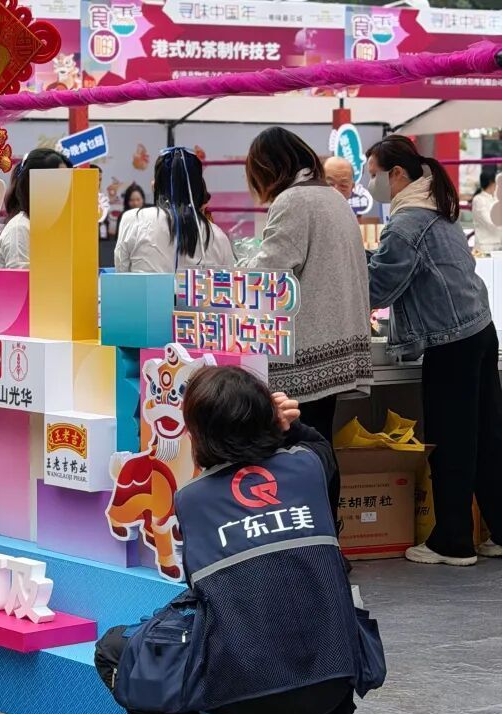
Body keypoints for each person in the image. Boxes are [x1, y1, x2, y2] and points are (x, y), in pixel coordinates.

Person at [96, 366, 379, 714]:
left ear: (198, 435)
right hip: (329, 684)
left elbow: (201, 590)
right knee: (331, 598)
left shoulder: (191, 500)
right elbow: (319, 447)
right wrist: (291, 427)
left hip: (237, 698)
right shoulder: (309, 467)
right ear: (269, 419)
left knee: (115, 649)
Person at [365, 135, 502, 566]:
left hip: (451, 340)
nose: (370, 184)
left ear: (397, 174)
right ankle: (498, 532)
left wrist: (347, 268)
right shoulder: (438, 209)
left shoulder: (406, 223)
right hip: (480, 329)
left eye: (373, 174)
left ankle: (453, 542)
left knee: (451, 441)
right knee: (487, 437)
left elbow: (379, 287)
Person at [245, 127, 372, 442]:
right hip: (338, 347)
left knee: (298, 449)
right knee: (318, 445)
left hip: (306, 356)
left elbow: (267, 274)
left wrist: (239, 271)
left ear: (268, 169)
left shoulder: (294, 200)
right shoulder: (332, 196)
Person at [114, 146, 235, 274]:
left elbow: (121, 273)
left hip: (140, 288)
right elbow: (229, 280)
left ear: (155, 186)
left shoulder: (133, 219)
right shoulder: (218, 236)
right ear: (199, 188)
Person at [0, 148, 72, 269]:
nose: (66, 189)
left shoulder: (52, 226)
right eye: (59, 181)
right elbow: (19, 277)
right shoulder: (20, 228)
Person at [471, 167, 501, 254]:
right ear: (491, 183)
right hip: (485, 245)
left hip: (498, 243)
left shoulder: (495, 199)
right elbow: (490, 222)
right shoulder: (478, 200)